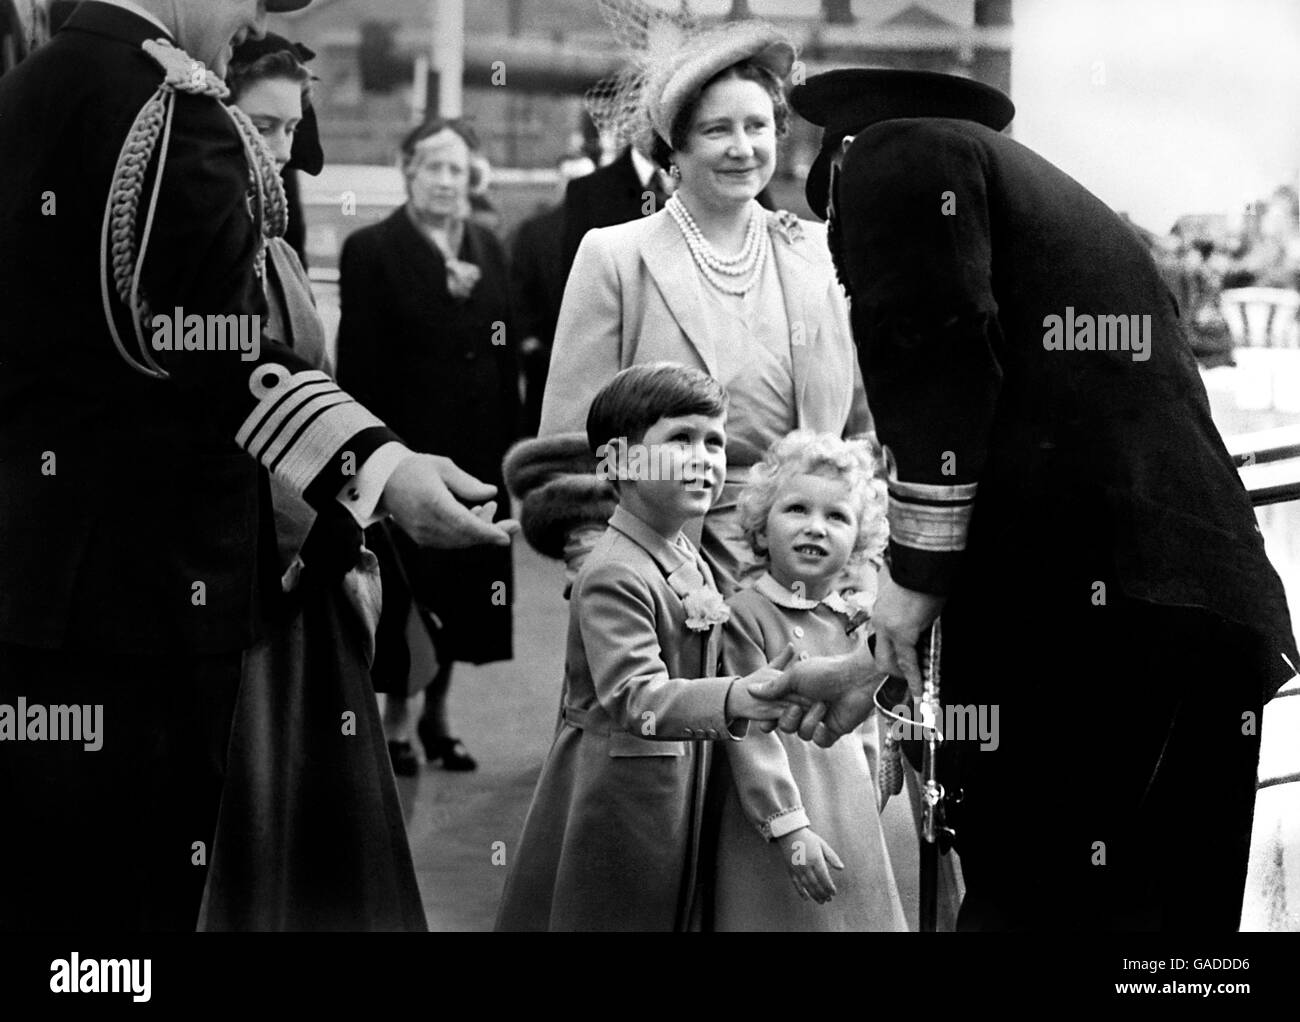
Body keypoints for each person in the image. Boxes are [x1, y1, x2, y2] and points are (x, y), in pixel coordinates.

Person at [0, 0, 515, 932]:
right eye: (248, 2)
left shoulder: (25, 90)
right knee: (138, 897)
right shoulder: (172, 107)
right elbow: (219, 348)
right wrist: (383, 469)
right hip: (146, 593)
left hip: (35, 574)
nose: (244, 26)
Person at [755, 68, 1300, 932]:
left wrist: (913, 566)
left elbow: (937, 352)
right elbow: (1034, 447)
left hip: (1095, 644)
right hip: (1194, 625)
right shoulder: (1049, 212)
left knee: (1032, 906)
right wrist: (874, 660)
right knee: (1170, 946)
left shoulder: (896, 152)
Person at [508, 18, 870, 596]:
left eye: (757, 126)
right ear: (674, 147)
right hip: (659, 577)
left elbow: (860, 432)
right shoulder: (615, 255)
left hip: (805, 585)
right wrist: (602, 577)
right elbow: (571, 451)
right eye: (716, 130)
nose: (742, 148)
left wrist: (857, 577)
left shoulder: (819, 253)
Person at [198, 34, 426, 931]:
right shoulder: (198, 262)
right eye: (261, 126)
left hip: (313, 553)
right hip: (240, 562)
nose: (279, 153)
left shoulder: (282, 256)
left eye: (291, 131)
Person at [494, 363, 794, 931]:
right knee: (615, 911)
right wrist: (735, 697)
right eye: (680, 439)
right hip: (618, 791)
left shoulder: (682, 553)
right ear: (618, 462)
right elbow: (636, 698)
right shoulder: (615, 572)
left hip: (673, 777)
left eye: (715, 442)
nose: (704, 457)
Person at [337, 117, 520, 774]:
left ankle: (441, 718)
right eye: (434, 167)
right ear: (407, 169)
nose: (447, 181)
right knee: (407, 589)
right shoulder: (371, 249)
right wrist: (370, 457)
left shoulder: (490, 247)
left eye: (459, 169)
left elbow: (506, 359)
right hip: (405, 453)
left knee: (466, 590)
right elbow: (355, 365)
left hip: (474, 451)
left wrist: (512, 453)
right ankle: (398, 720)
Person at [711, 430, 907, 932]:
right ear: (760, 525)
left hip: (852, 808)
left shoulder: (856, 622)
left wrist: (876, 787)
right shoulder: (744, 615)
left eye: (836, 517)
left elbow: (870, 725)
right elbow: (749, 737)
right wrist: (788, 828)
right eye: (796, 509)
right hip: (778, 815)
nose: (815, 528)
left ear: (860, 539)